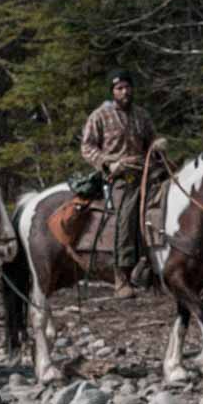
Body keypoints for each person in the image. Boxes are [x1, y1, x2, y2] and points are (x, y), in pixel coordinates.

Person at [80, 69, 161, 299]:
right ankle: (121, 276)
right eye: (120, 88)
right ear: (112, 91)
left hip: (146, 170)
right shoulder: (100, 116)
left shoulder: (141, 115)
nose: (125, 92)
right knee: (126, 215)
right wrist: (108, 163)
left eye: (128, 87)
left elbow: (152, 140)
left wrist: (158, 148)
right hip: (119, 175)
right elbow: (87, 147)